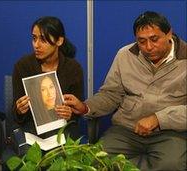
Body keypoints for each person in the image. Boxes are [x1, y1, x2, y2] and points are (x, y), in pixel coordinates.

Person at [64, 11, 186, 170]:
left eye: (154, 39)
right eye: (142, 41)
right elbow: (110, 94)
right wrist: (86, 107)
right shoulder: (125, 55)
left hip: (171, 133)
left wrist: (159, 119)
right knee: (95, 160)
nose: (148, 47)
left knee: (171, 165)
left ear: (169, 33)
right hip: (127, 130)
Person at [12, 16, 84, 139]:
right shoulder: (23, 66)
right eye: (34, 38)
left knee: (62, 154)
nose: (36, 45)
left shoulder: (73, 68)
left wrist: (70, 114)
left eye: (43, 40)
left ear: (59, 41)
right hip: (32, 128)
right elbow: (16, 113)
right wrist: (19, 110)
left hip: (63, 128)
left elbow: (76, 113)